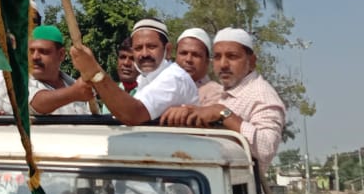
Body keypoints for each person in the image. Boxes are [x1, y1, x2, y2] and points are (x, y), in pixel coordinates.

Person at [160, 27, 285, 166]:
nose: (223, 65)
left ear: (252, 61)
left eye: (232, 56)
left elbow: (266, 148)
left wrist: (223, 113)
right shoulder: (229, 92)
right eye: (218, 57)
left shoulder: (262, 94)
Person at [71, 17, 198, 125]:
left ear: (168, 50)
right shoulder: (144, 78)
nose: (144, 54)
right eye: (138, 48)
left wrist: (94, 72)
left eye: (151, 47)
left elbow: (133, 114)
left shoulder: (175, 78)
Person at [14, 25, 95, 115]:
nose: (35, 57)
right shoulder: (16, 83)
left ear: (61, 54)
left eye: (43, 51)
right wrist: (74, 93)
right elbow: (37, 103)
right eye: (31, 51)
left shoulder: (79, 87)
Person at [174, 28, 224, 105]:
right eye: (183, 53)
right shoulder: (164, 85)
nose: (188, 59)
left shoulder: (216, 93)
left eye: (196, 55)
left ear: (207, 61)